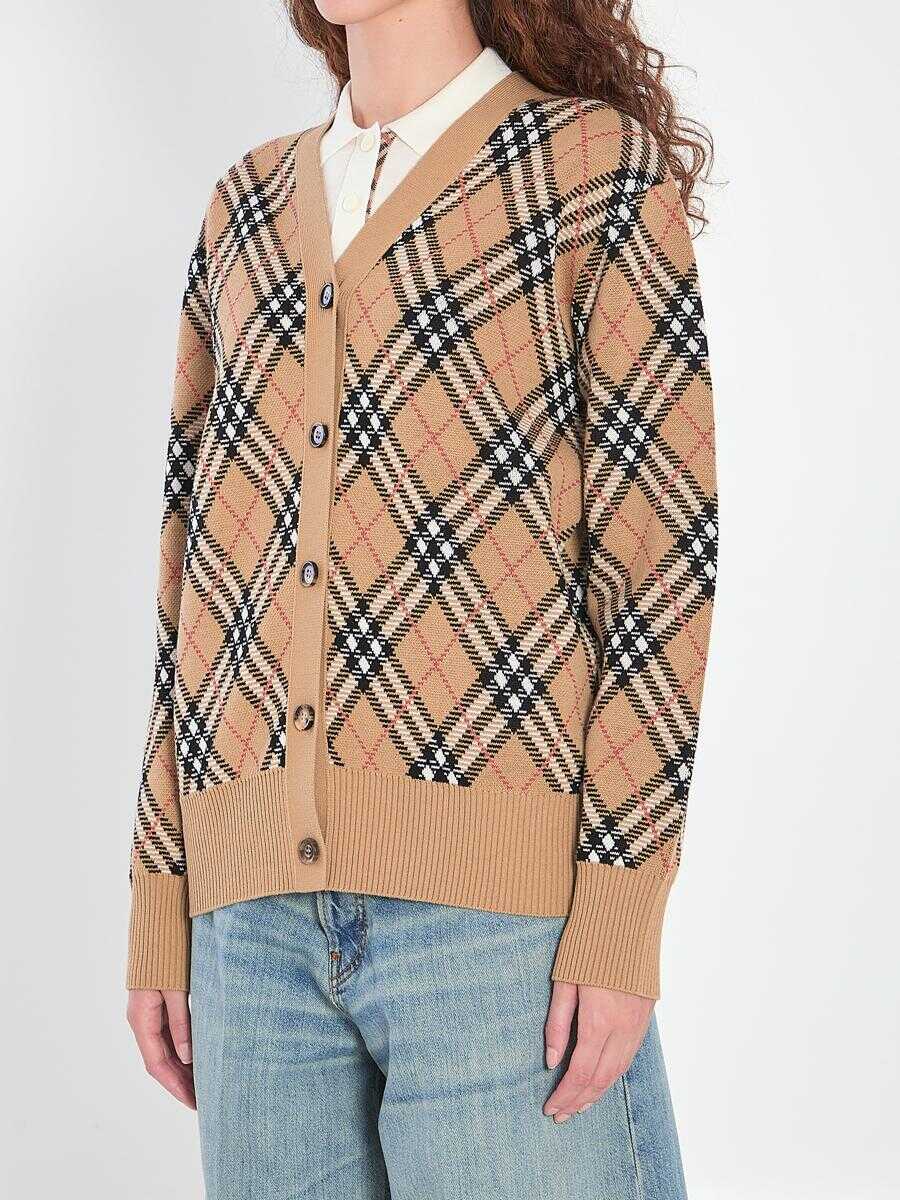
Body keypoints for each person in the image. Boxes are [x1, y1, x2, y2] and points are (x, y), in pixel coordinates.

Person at [125, 2, 717, 1196]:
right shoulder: (246, 206)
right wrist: (163, 892)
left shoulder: (592, 171)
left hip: (495, 932)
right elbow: (194, 577)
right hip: (251, 934)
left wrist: (618, 913)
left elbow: (659, 567)